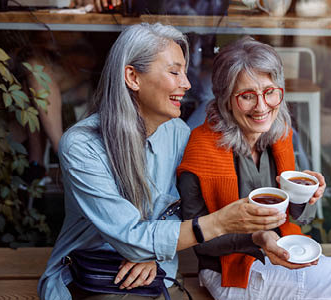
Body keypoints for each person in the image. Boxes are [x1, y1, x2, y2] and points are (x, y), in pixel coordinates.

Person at [37, 23, 285, 299]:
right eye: (174, 71)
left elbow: (181, 210)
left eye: (185, 72)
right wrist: (217, 223)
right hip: (90, 276)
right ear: (132, 77)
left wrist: (149, 253)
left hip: (158, 274)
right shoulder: (82, 147)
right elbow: (129, 234)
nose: (187, 84)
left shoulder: (177, 133)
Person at [177, 37, 331, 300]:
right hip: (229, 272)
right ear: (225, 98)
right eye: (247, 96)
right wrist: (258, 238)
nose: (262, 106)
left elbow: (301, 219)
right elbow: (196, 238)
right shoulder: (201, 149)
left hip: (280, 255)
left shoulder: (280, 135)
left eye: (270, 91)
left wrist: (305, 197)